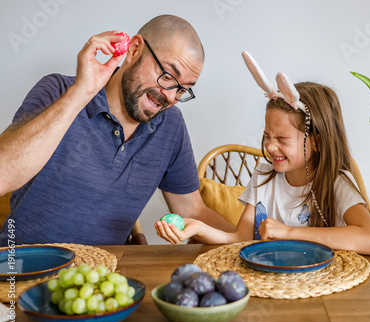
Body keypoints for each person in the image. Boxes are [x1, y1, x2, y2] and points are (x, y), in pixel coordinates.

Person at [0, 15, 235, 246]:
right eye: (167, 76)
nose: (170, 96)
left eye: (183, 90)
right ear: (133, 50)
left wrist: (251, 244)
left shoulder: (171, 125)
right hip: (22, 267)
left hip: (105, 277)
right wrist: (81, 93)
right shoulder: (58, 90)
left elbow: (192, 210)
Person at [155, 52, 370, 255]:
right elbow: (239, 240)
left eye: (282, 139)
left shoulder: (337, 183)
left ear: (317, 142)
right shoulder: (263, 177)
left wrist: (289, 232)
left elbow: (368, 239)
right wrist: (199, 228)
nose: (270, 147)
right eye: (268, 136)